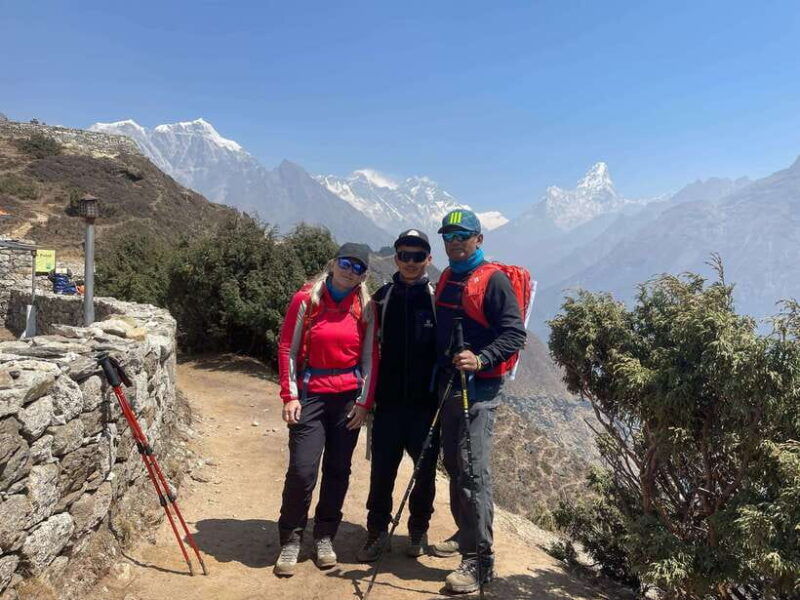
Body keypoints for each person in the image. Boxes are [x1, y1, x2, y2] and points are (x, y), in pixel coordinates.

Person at [431, 209, 527, 594]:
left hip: (481, 390)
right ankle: (465, 531)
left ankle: (480, 560)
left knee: (473, 472)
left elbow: (514, 334)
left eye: (463, 235)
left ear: (479, 239)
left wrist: (482, 358)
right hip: (449, 386)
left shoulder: (494, 281)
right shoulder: (447, 277)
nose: (454, 241)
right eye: (448, 235)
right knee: (454, 465)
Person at [274, 242, 377, 577]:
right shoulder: (307, 299)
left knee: (337, 469)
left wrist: (364, 403)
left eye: (358, 268)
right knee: (303, 469)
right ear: (333, 263)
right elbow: (288, 346)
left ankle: (324, 535)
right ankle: (291, 537)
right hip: (311, 395)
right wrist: (289, 396)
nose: (350, 271)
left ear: (364, 275)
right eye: (346, 263)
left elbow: (369, 358)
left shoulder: (366, 306)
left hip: (347, 400)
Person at [357, 229, 438, 562]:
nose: (410, 262)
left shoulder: (437, 298)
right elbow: (365, 344)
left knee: (426, 473)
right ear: (396, 258)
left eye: (417, 256)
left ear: (428, 260)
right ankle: (376, 532)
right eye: (404, 255)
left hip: (425, 406)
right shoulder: (383, 296)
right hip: (388, 404)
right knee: (382, 473)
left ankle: (418, 529)